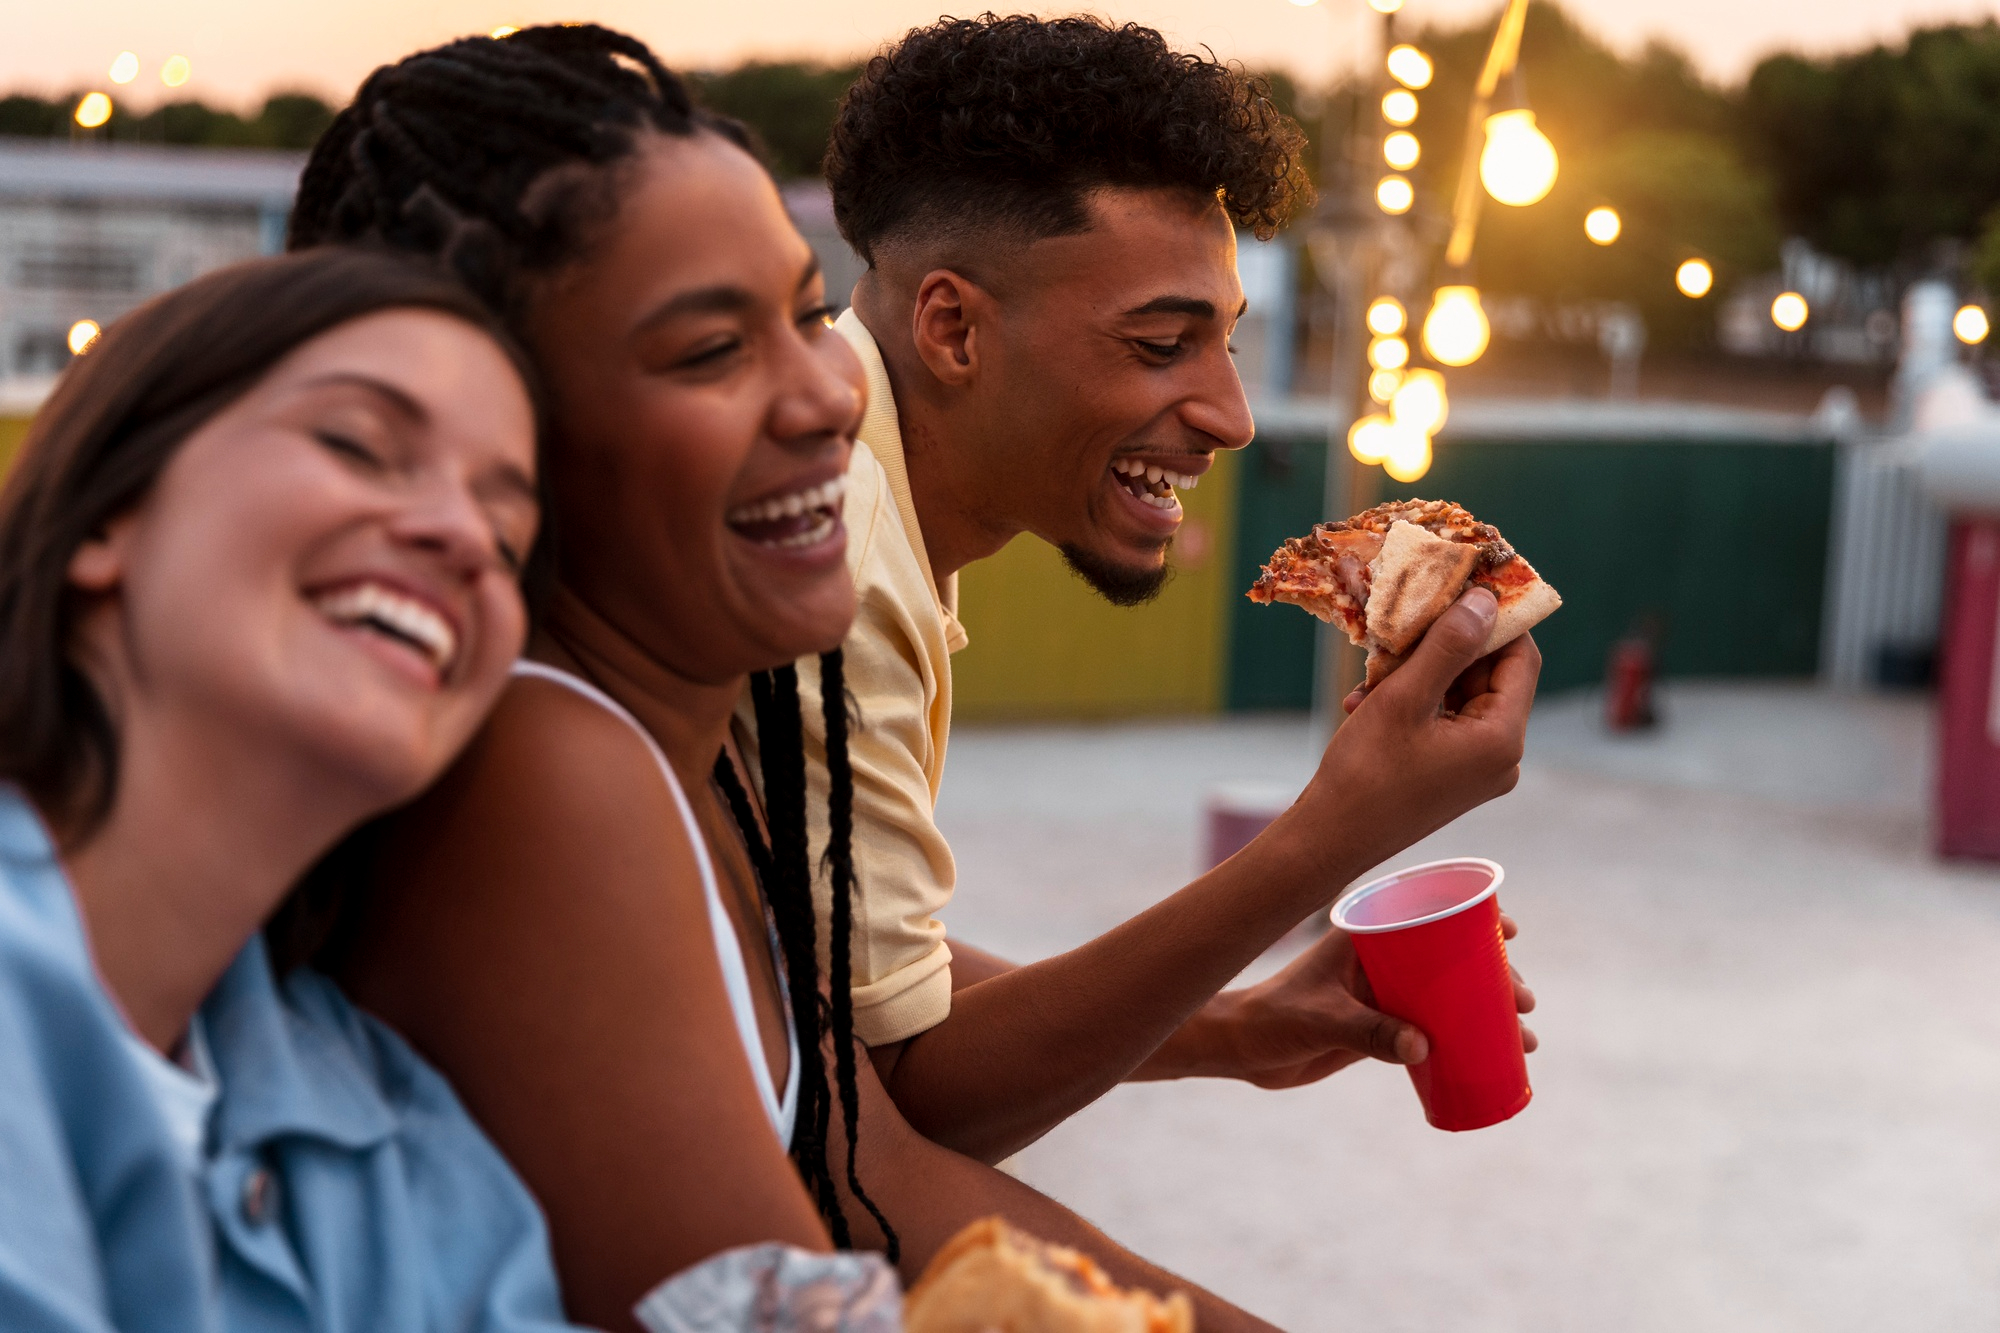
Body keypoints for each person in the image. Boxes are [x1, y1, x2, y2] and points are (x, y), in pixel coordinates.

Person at [284, 23, 1532, 1332]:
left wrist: (1225, 1027)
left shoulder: (668, 745)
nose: (829, 395)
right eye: (714, 348)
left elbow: (848, 1036)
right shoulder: (566, 772)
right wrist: (1336, 831)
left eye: (802, 313)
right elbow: (869, 1164)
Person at [747, 12, 1543, 1161]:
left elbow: (861, 975)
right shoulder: (832, 551)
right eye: (1162, 343)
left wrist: (1233, 1026)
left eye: (1225, 339)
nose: (1232, 415)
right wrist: (1328, 837)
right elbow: (901, 1099)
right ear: (952, 327)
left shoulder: (853, 484)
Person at [0, 248, 577, 1332]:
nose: (461, 537)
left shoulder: (380, 1123)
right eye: (359, 443)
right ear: (105, 518)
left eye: (507, 534)